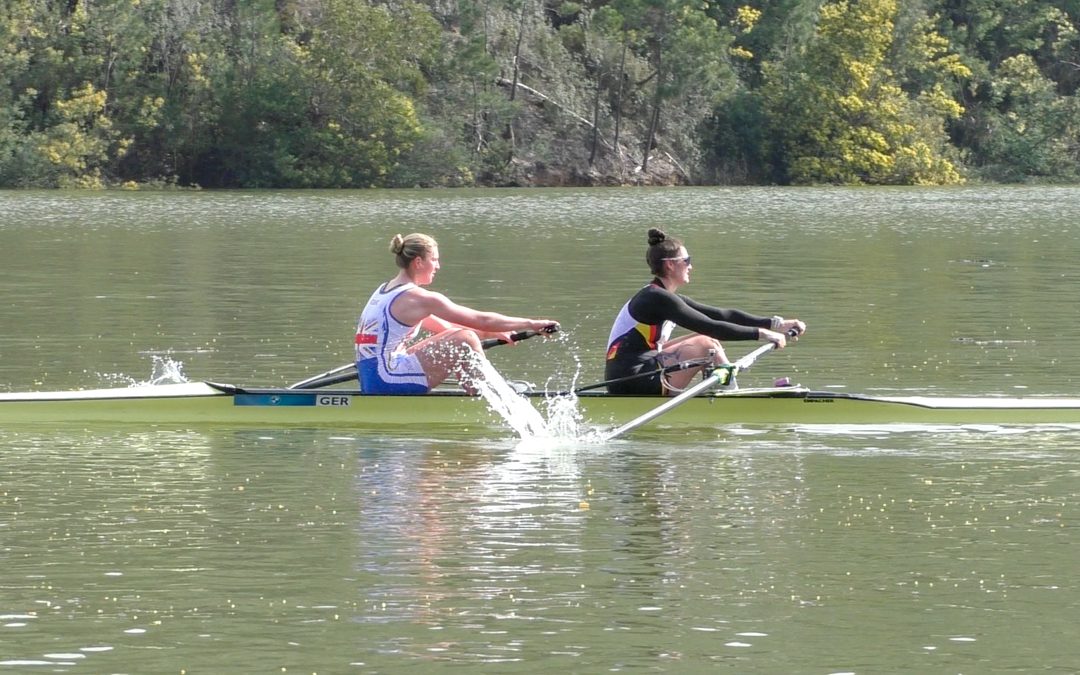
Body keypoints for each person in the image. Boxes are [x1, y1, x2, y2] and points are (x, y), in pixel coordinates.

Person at [605, 228, 806, 395]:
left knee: (705, 339)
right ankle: (728, 395)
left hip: (632, 375)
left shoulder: (661, 296)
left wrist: (776, 324)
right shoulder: (656, 298)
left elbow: (720, 315)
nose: (691, 266)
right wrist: (763, 334)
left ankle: (719, 387)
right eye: (687, 260)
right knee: (706, 342)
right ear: (670, 264)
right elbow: (712, 327)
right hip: (631, 381)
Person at [356, 233, 558, 394]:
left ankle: (480, 391)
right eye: (434, 260)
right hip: (387, 380)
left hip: (373, 378)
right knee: (465, 339)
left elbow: (447, 329)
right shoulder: (419, 298)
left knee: (462, 337)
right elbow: (482, 320)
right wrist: (531, 323)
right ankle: (487, 395)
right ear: (418, 262)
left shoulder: (386, 290)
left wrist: (494, 333)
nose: (438, 266)